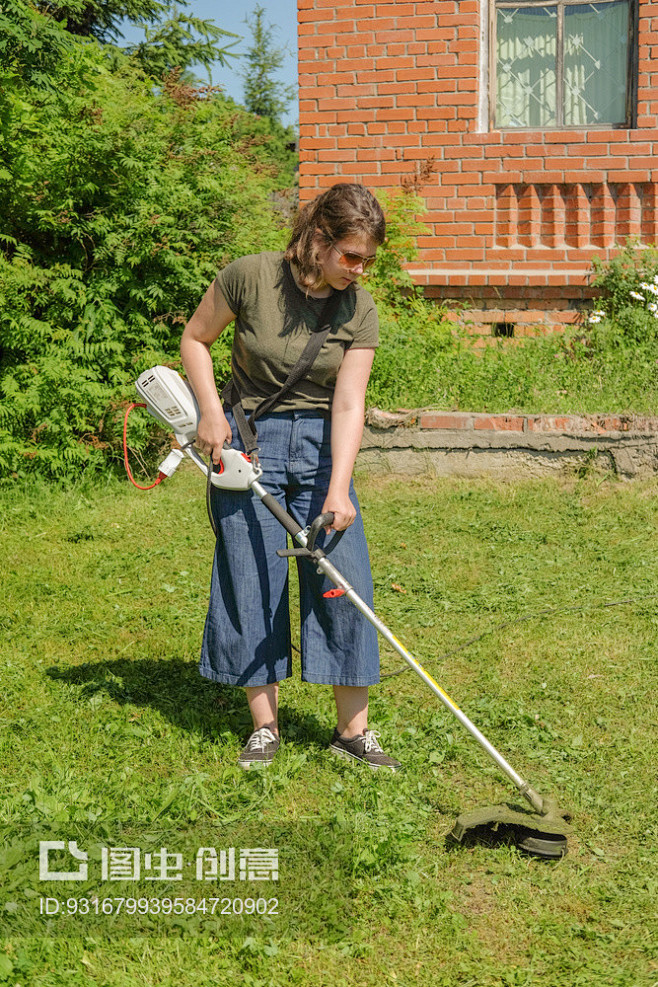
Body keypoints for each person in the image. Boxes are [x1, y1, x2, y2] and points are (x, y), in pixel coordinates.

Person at [180, 182, 400, 772]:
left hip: (325, 449)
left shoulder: (359, 308)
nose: (359, 270)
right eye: (351, 256)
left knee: (342, 582)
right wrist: (208, 411)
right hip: (251, 441)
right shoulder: (249, 277)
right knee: (250, 578)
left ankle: (353, 733)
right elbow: (196, 340)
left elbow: (349, 404)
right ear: (318, 240)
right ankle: (264, 728)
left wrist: (337, 487)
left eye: (368, 260)